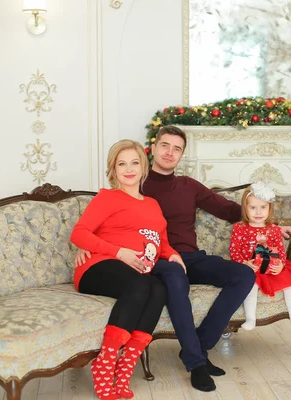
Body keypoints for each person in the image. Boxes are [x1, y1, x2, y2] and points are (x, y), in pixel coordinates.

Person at [77, 126, 291, 392]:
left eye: (176, 148)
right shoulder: (134, 180)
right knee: (173, 275)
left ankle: (198, 347)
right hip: (152, 261)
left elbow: (228, 209)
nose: (170, 152)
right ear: (153, 149)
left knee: (243, 275)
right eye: (164, 145)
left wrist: (270, 225)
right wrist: (90, 245)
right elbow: (104, 221)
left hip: (185, 256)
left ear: (182, 155)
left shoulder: (185, 186)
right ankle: (196, 363)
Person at [70, 139, 184, 400]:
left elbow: (160, 240)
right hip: (97, 267)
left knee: (158, 288)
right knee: (141, 285)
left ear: (143, 167)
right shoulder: (108, 197)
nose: (129, 169)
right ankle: (104, 365)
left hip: (133, 273)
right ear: (113, 169)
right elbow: (79, 233)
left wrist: (173, 254)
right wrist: (118, 251)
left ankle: (124, 370)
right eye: (122, 164)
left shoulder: (152, 204)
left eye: (134, 162)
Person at [229, 182, 291, 331]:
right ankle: (250, 319)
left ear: (269, 208)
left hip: (272, 267)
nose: (258, 212)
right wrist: (245, 262)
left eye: (263, 207)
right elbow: (234, 251)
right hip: (251, 268)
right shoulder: (240, 229)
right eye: (253, 208)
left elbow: (280, 250)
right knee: (250, 287)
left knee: (290, 286)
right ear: (245, 209)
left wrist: (281, 265)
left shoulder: (273, 229)